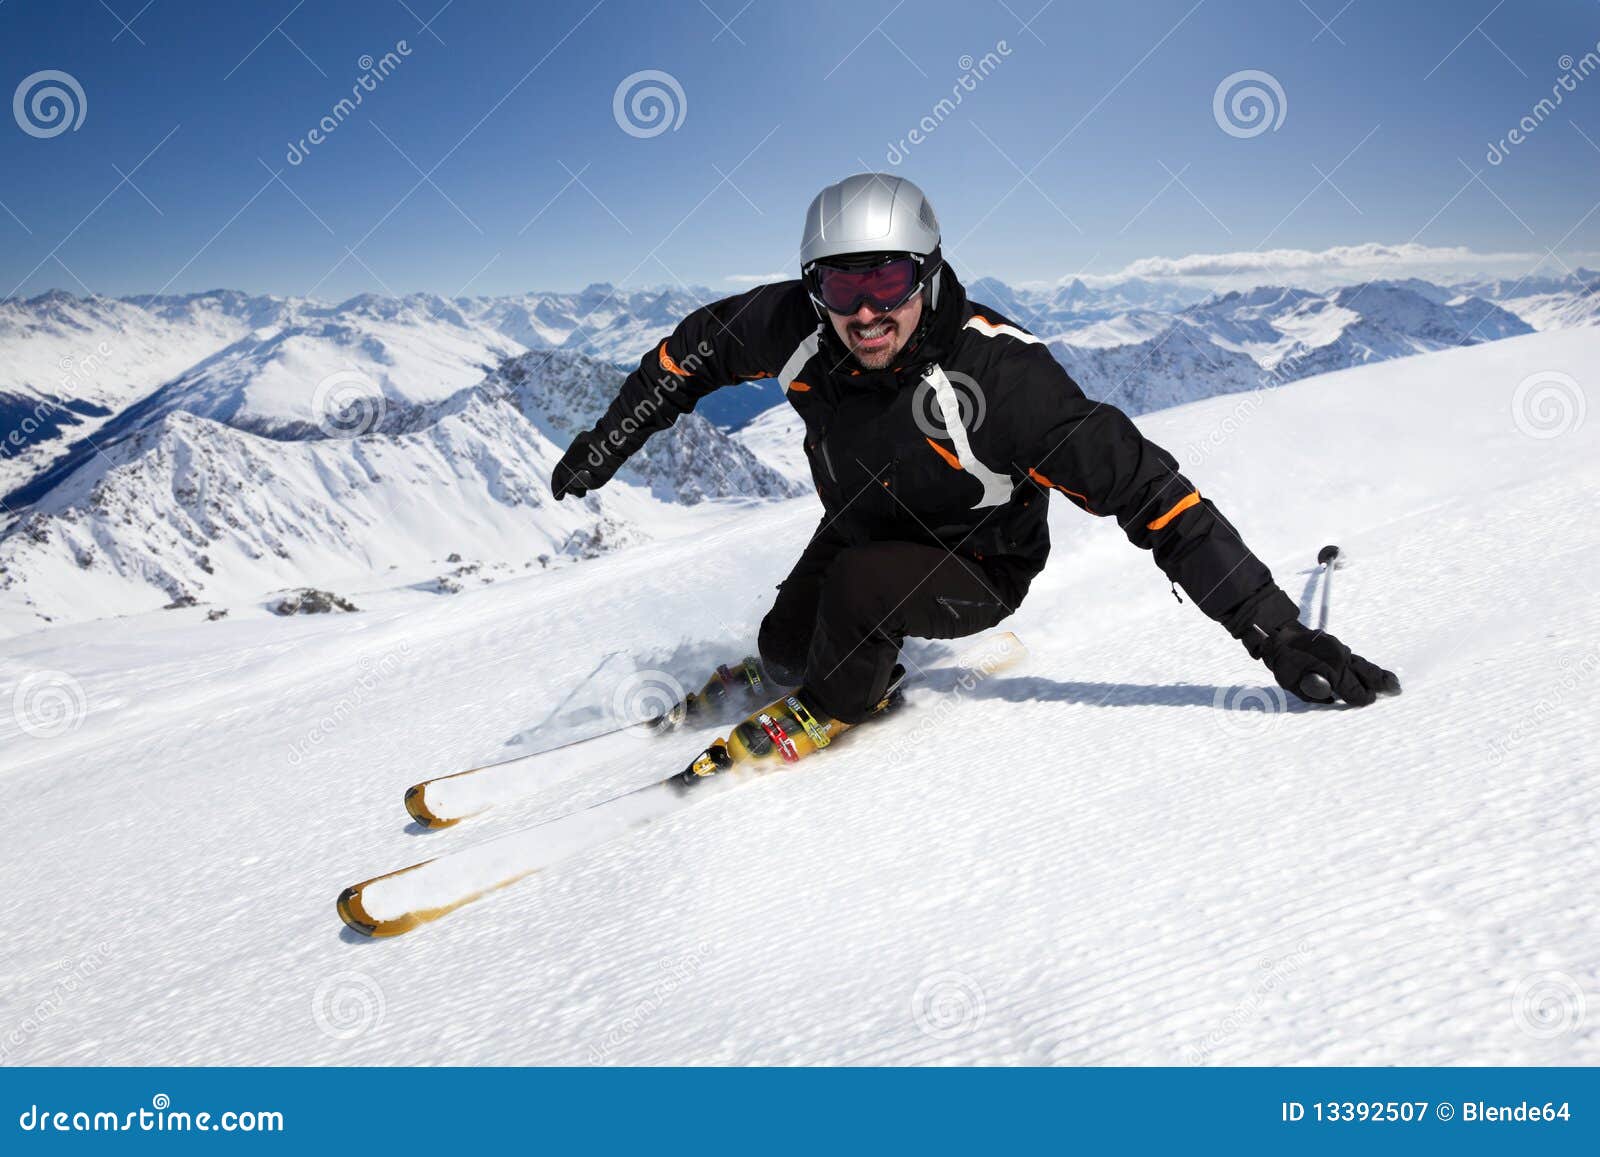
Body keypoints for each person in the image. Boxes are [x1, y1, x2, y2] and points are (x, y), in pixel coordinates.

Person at [552, 173, 1399, 764]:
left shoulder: (1001, 380)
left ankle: (854, 694)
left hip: (978, 562)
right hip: (862, 524)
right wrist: (604, 443)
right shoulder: (794, 324)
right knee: (783, 651)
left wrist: (1279, 638)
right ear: (813, 288)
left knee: (854, 607)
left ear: (929, 269)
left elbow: (1157, 497)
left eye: (888, 277)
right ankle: (817, 663)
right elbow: (685, 358)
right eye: (841, 287)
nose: (867, 309)